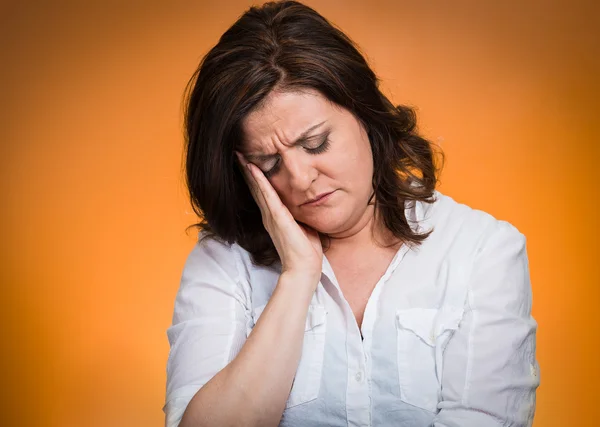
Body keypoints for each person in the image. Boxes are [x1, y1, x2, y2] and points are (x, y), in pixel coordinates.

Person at [163, 1, 540, 426]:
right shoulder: (226, 261)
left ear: (365, 113)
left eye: (316, 143)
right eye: (269, 164)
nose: (300, 178)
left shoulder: (481, 251)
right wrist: (297, 277)